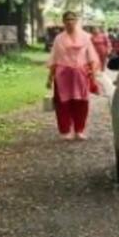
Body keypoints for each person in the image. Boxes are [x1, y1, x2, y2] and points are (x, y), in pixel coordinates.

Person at [46, 9, 103, 141]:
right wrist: (49, 78)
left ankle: (79, 130)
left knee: (81, 103)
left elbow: (91, 57)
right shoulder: (58, 39)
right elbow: (54, 58)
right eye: (67, 20)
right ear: (63, 22)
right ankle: (66, 130)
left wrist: (93, 75)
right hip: (62, 76)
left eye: (72, 19)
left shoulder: (86, 37)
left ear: (76, 21)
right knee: (63, 104)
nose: (70, 22)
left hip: (80, 75)